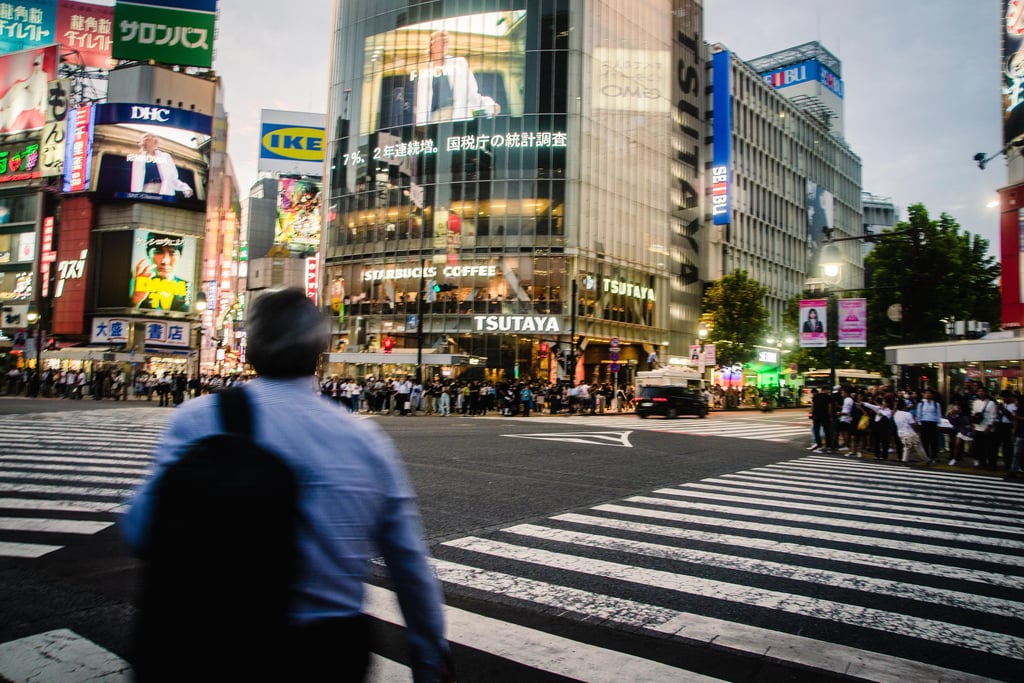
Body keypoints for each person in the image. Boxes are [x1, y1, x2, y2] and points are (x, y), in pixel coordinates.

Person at [121, 288, 450, 681]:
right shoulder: (364, 441)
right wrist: (429, 658)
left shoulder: (198, 420)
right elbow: (409, 566)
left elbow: (140, 529)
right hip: (325, 650)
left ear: (251, 352)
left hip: (208, 639)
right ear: (319, 353)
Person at [413, 29, 501, 125]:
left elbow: (471, 96)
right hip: (434, 120)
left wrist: (489, 105)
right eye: (441, 39)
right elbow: (421, 106)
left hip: (457, 118)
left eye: (446, 40)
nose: (445, 41)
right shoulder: (424, 72)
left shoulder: (459, 63)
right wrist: (420, 126)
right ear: (431, 45)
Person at [132, 233, 191, 311]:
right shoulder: (136, 288)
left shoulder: (189, 289)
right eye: (158, 252)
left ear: (180, 256)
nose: (165, 261)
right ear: (148, 253)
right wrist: (135, 302)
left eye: (172, 253)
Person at [130, 133, 194, 198]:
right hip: (146, 191)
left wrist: (185, 188)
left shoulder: (166, 157)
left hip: (164, 191)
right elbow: (135, 182)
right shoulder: (138, 160)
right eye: (152, 137)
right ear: (145, 141)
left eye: (156, 138)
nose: (155, 139)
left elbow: (172, 179)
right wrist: (134, 196)